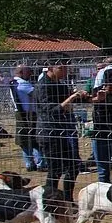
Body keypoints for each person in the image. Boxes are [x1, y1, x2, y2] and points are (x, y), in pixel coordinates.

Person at [36, 64, 87, 201]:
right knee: (55, 170)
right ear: (50, 68)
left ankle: (67, 200)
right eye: (61, 68)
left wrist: (87, 96)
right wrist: (71, 98)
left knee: (73, 166)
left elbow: (72, 97)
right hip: (48, 133)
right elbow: (51, 110)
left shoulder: (59, 84)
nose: (65, 71)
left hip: (61, 131)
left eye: (66, 68)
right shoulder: (43, 86)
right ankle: (49, 201)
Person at [9, 65, 45, 171]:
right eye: (29, 72)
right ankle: (40, 163)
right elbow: (37, 94)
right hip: (28, 114)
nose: (31, 74)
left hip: (21, 114)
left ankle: (30, 163)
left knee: (25, 140)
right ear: (21, 72)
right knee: (35, 139)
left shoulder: (13, 82)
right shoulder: (22, 83)